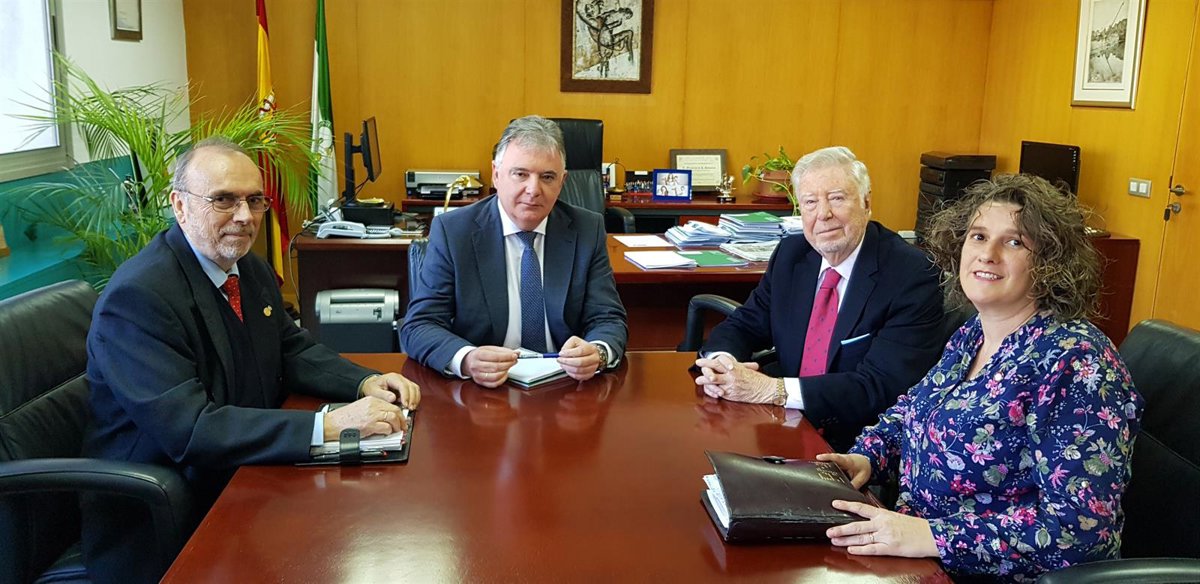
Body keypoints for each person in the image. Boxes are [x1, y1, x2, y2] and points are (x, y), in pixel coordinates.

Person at [82, 137, 421, 583]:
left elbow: (291, 348)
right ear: (180, 206)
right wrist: (327, 425)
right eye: (224, 200)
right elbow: (191, 429)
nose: (244, 216)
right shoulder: (140, 297)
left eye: (254, 200)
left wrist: (363, 382)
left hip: (245, 478)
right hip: (167, 513)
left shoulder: (249, 269)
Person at [818, 175, 1143, 581]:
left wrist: (931, 536)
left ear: (1051, 262)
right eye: (978, 236)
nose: (987, 254)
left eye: (1014, 242)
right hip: (914, 555)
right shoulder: (975, 331)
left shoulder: (1076, 362)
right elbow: (915, 411)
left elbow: (1078, 533)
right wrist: (867, 456)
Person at [694, 146, 944, 449]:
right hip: (782, 428)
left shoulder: (910, 274)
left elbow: (882, 386)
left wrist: (774, 390)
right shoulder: (793, 255)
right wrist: (722, 363)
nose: (823, 214)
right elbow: (745, 323)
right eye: (810, 202)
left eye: (837, 198)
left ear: (866, 203)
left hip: (856, 445)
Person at [400, 115, 628, 387]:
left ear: (562, 181)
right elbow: (420, 325)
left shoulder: (587, 229)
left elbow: (608, 318)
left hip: (564, 385)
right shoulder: (454, 232)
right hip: (482, 388)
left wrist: (598, 352)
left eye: (547, 177)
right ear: (496, 174)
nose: (533, 190)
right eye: (520, 174)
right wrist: (467, 358)